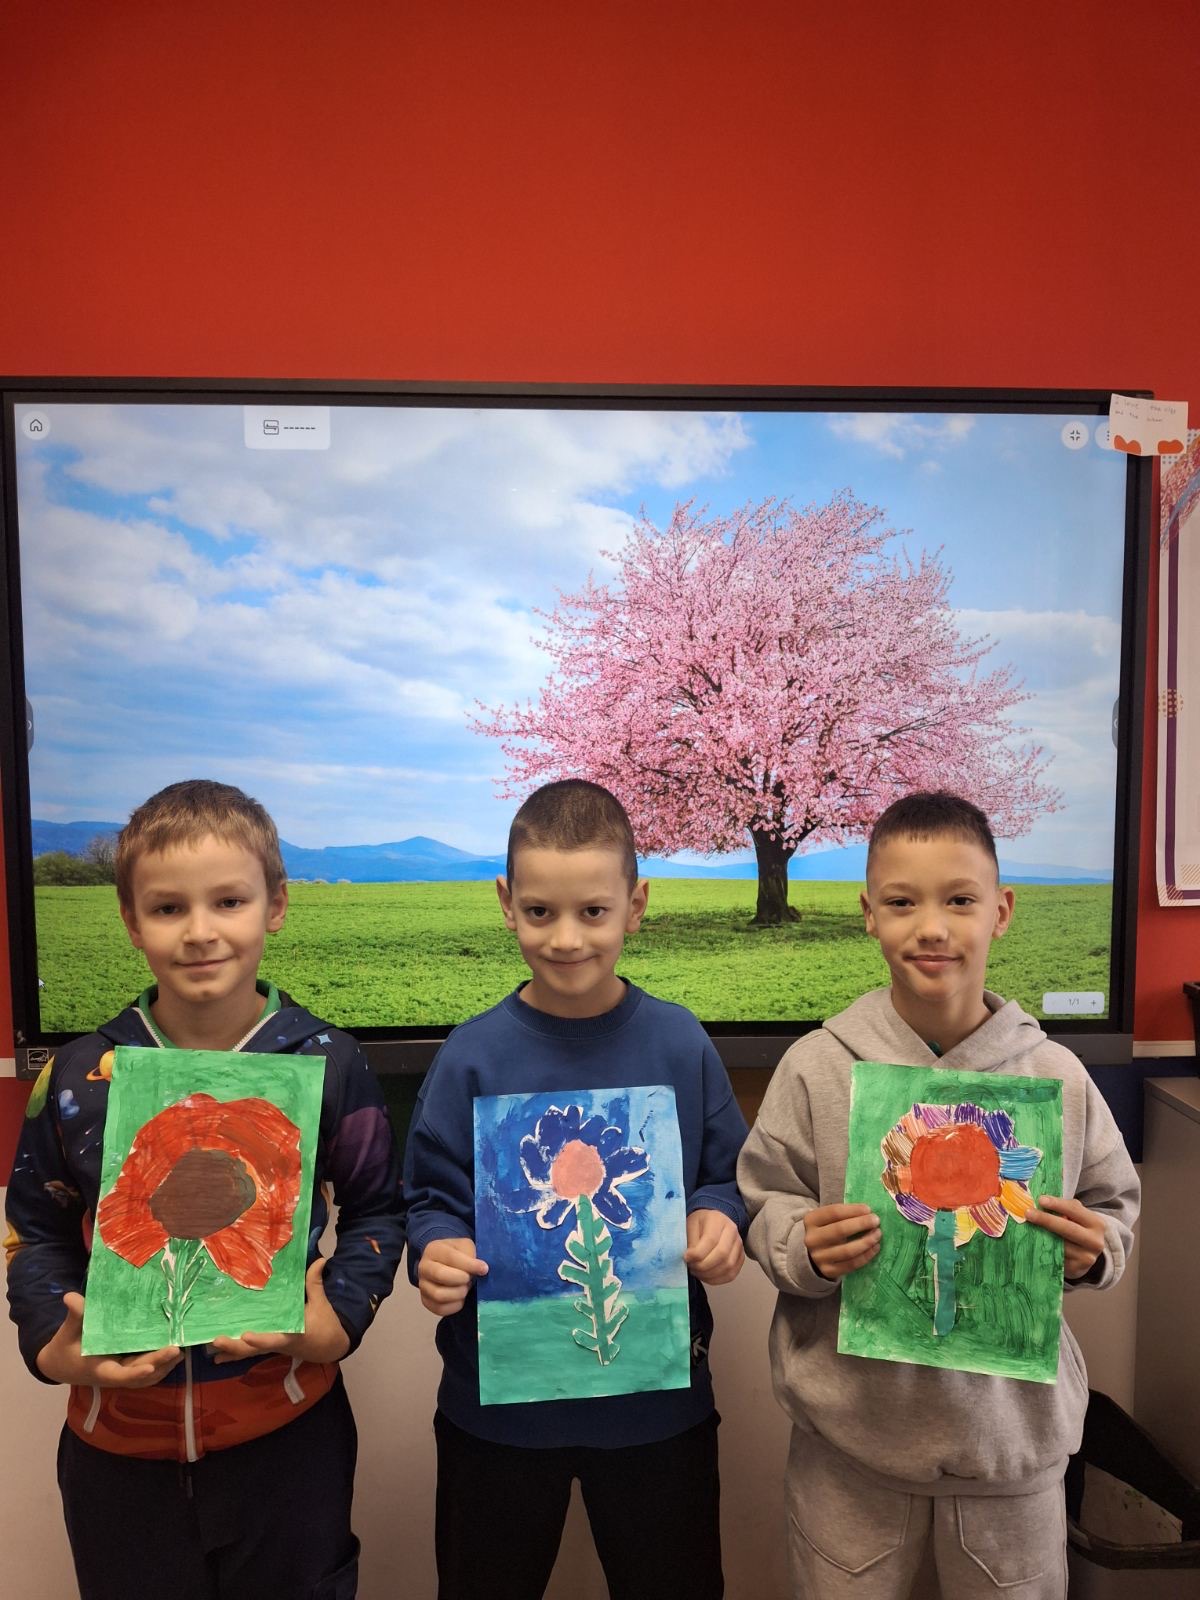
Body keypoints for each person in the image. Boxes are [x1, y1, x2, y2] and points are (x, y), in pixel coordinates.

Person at [5, 779, 405, 1600]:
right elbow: (34, 1227)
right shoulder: (78, 1076)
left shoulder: (328, 1063)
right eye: (167, 908)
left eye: (228, 901)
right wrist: (51, 1344)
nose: (199, 932)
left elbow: (379, 1208)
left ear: (275, 906)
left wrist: (340, 1321)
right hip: (115, 1455)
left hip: (288, 1442)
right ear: (130, 920)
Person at [738, 790, 1140, 1600]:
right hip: (852, 1453)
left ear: (1001, 911)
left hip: (1010, 1455)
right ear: (868, 915)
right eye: (902, 902)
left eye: (959, 900)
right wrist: (799, 1245)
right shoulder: (818, 1068)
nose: (932, 927)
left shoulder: (1056, 1078)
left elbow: (1113, 1208)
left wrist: (1093, 1251)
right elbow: (765, 1197)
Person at [404, 778, 747, 1600]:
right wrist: (437, 1249)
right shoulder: (471, 1055)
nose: (565, 939)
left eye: (593, 912)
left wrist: (719, 1218)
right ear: (506, 903)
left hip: (659, 1414)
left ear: (636, 905)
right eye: (539, 912)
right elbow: (429, 1197)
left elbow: (727, 1175)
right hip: (496, 1417)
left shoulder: (679, 1042)